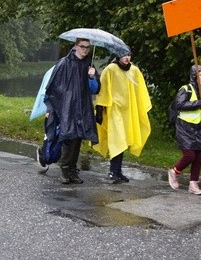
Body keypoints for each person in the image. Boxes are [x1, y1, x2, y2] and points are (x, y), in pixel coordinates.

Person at [44, 38, 100, 184]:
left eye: (88, 47)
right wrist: (53, 107)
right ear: (75, 46)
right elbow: (53, 86)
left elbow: (95, 89)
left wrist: (92, 77)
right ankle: (64, 168)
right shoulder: (64, 63)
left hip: (83, 107)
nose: (85, 50)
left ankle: (72, 169)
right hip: (67, 107)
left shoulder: (89, 65)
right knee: (68, 136)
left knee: (78, 137)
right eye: (82, 46)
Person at [92, 48, 152, 183]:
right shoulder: (110, 69)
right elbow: (102, 90)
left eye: (129, 55)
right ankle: (113, 172)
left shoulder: (134, 71)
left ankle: (118, 171)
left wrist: (141, 108)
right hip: (114, 111)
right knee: (117, 139)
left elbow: (140, 89)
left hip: (128, 111)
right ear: (117, 55)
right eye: (124, 55)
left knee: (124, 140)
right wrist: (100, 109)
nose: (127, 58)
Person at [167, 65, 201, 195]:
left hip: (199, 129)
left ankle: (193, 185)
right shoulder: (186, 89)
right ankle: (174, 172)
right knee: (190, 155)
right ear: (194, 75)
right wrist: (198, 103)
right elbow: (179, 104)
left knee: (198, 158)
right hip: (185, 128)